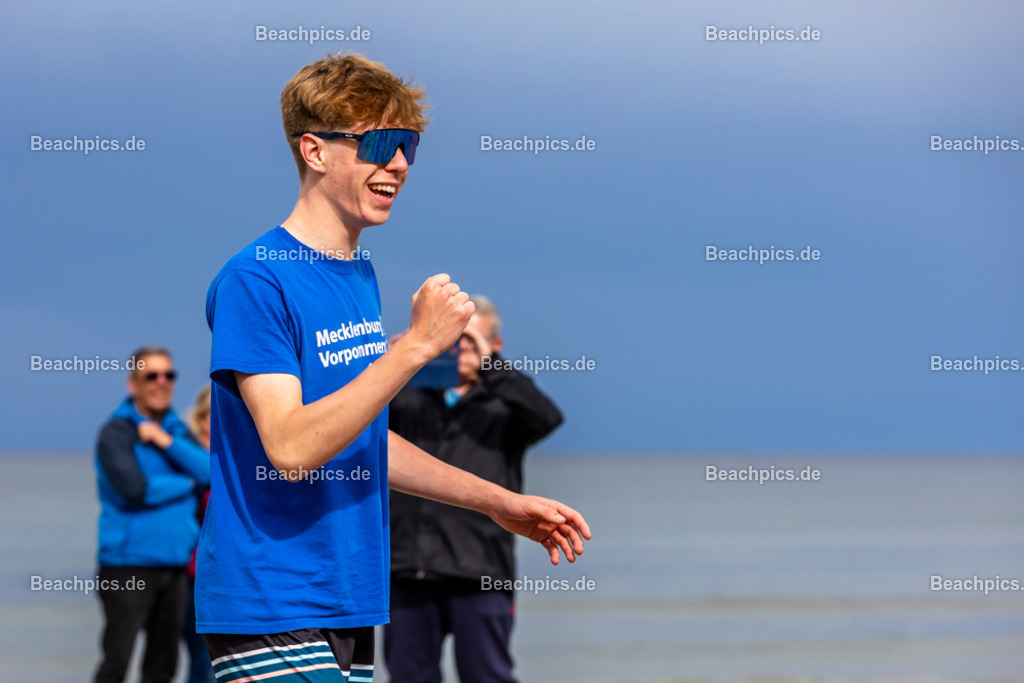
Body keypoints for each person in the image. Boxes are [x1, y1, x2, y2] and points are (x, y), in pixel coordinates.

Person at [195, 53, 590, 683]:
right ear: (315, 150)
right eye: (379, 144)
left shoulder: (356, 275)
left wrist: (496, 502)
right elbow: (291, 447)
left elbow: (363, 439)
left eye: (408, 145)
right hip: (274, 596)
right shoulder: (256, 278)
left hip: (351, 597)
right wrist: (414, 347)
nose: (399, 164)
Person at [386, 296, 563, 682]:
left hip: (481, 568)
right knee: (408, 677)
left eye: (471, 340)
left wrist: (490, 364)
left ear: (495, 346)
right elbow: (366, 410)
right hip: (407, 566)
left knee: (488, 675)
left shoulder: (505, 406)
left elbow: (548, 417)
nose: (460, 349)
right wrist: (401, 351)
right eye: (454, 341)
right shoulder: (409, 397)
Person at [93, 346, 211, 683]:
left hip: (176, 569)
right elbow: (135, 488)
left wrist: (165, 442)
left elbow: (211, 472)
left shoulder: (177, 431)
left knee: (162, 669)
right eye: (151, 376)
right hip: (127, 566)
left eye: (168, 375)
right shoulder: (115, 433)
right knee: (115, 665)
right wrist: (187, 482)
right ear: (133, 383)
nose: (162, 382)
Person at [182, 385, 214, 683]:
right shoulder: (186, 459)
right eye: (213, 414)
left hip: (227, 575)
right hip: (191, 576)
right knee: (203, 664)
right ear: (201, 419)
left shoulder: (237, 458)